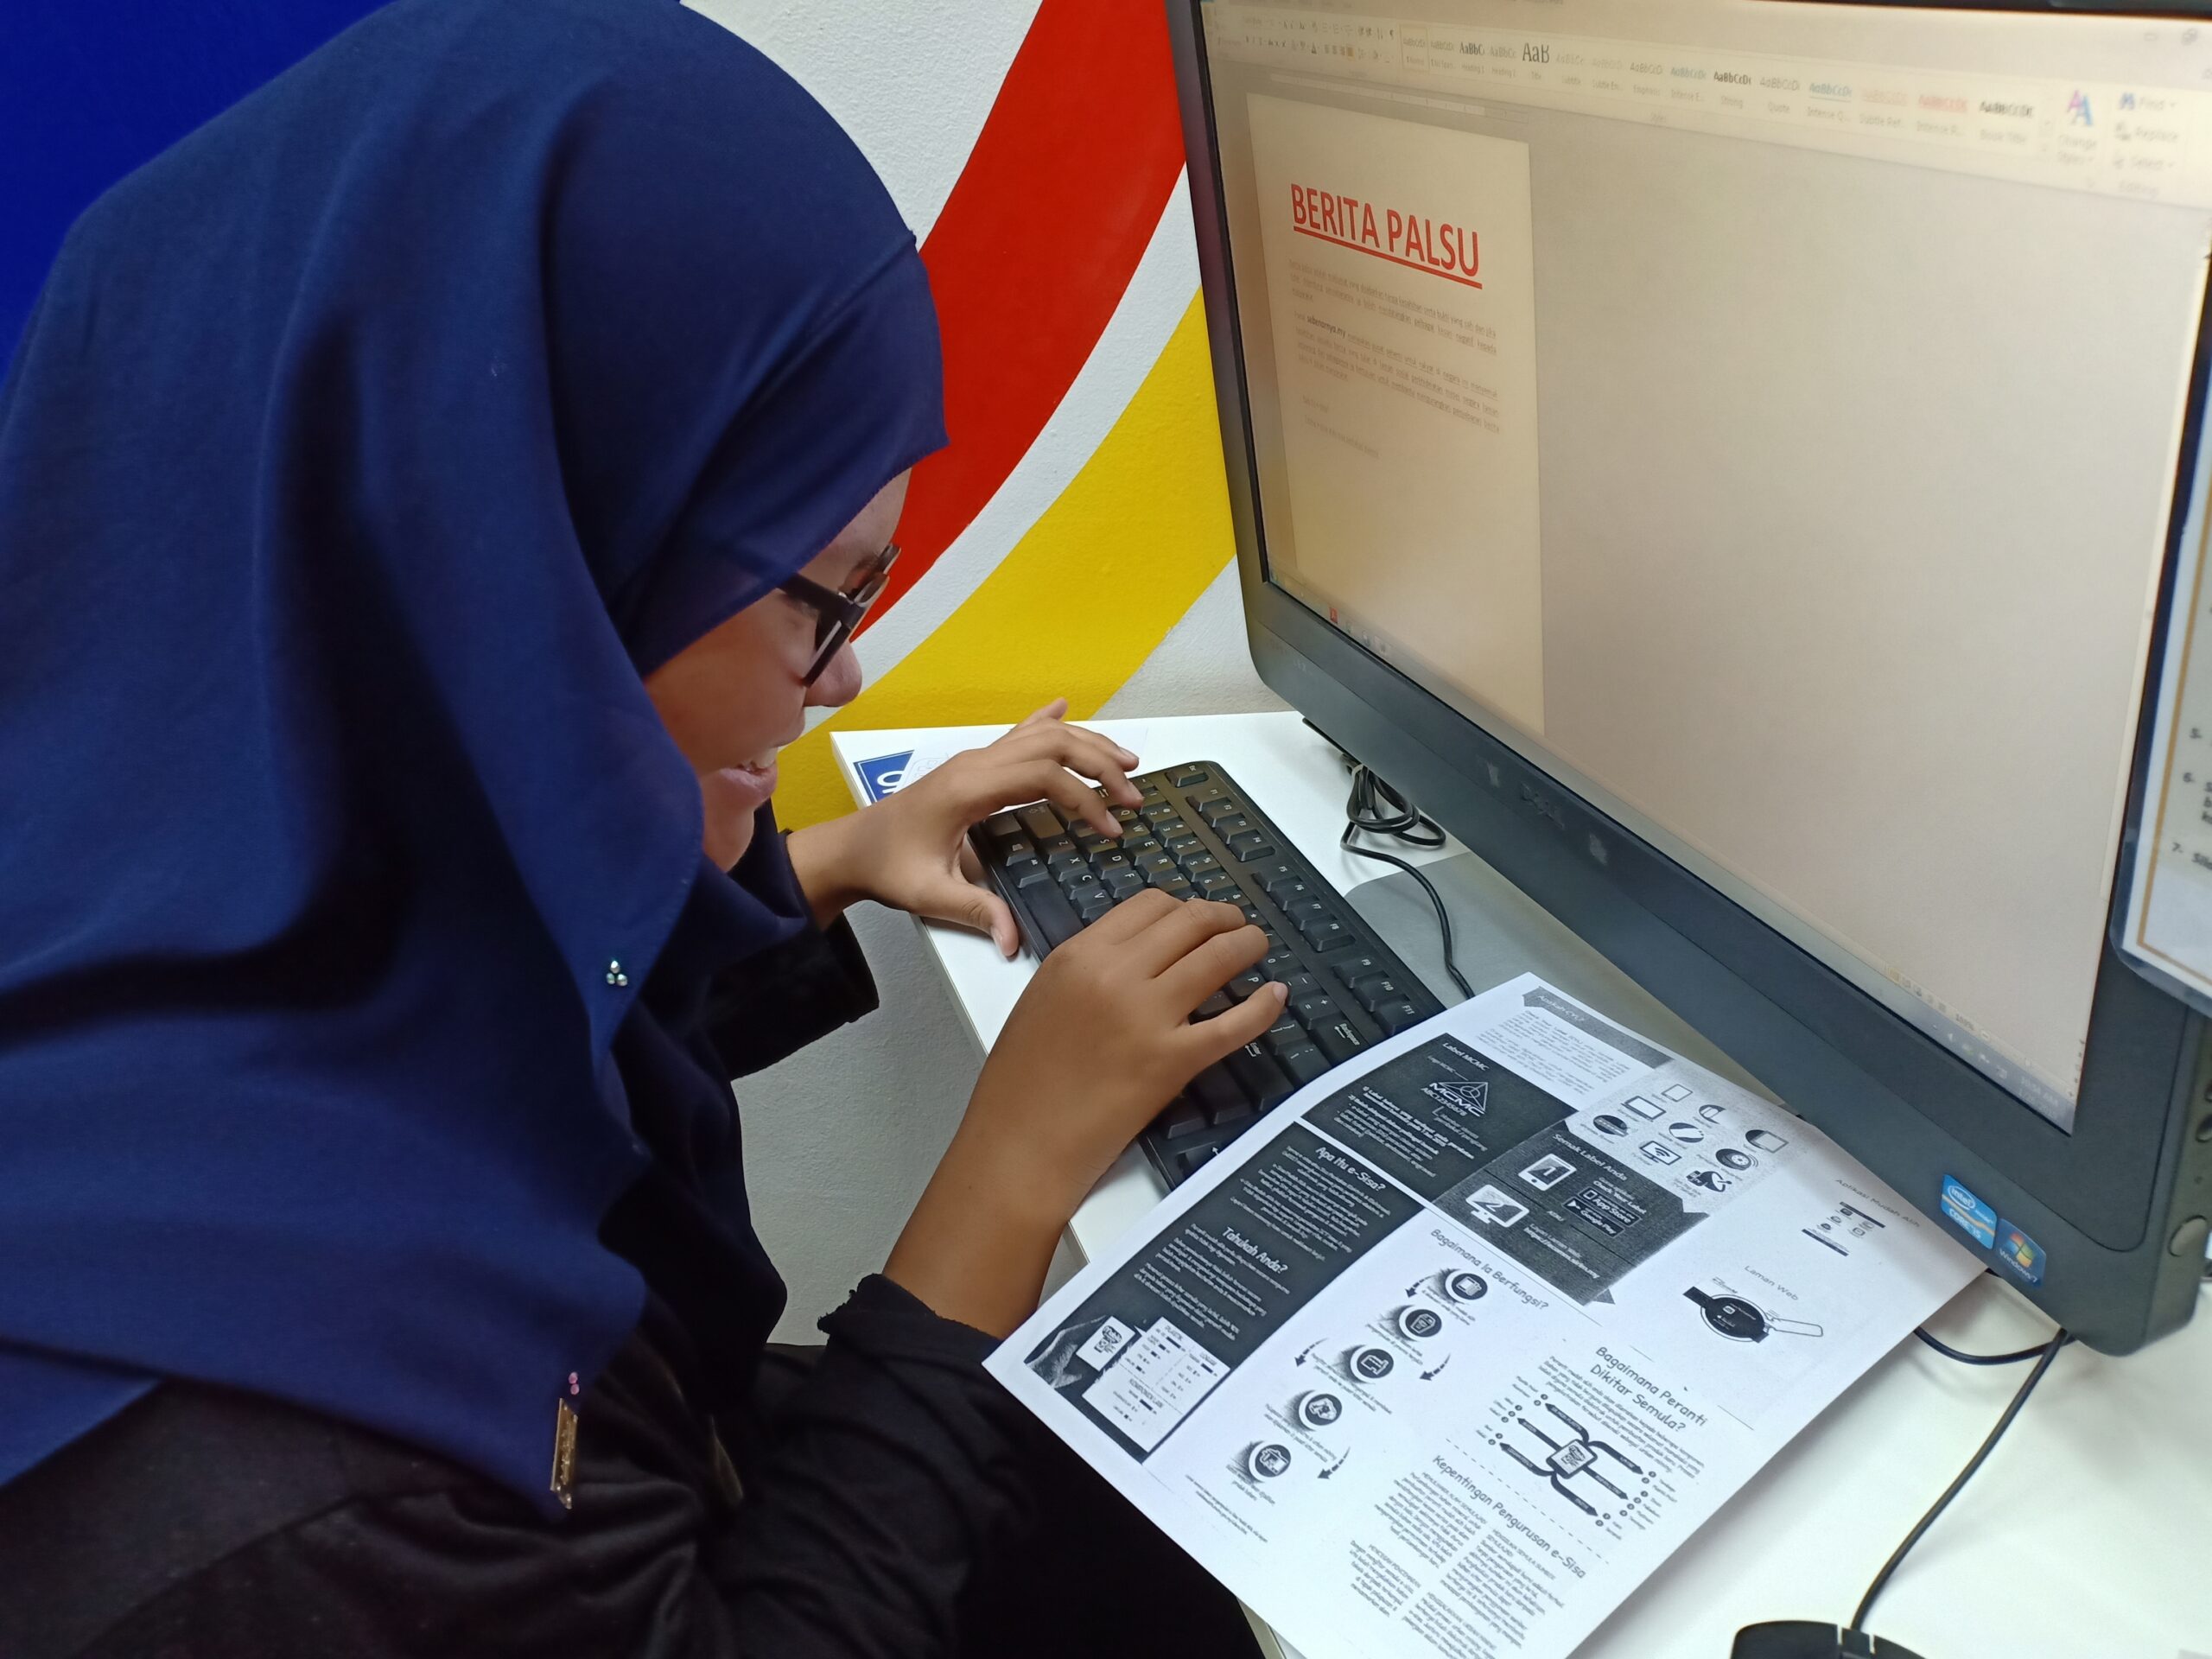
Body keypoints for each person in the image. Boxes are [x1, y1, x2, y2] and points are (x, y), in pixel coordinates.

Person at [0, 1, 1284, 1653]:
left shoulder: (146, 838)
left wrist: (820, 869)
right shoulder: (313, 1493)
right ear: (513, 583)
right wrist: (1010, 1175)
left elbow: (462, 1022)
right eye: (825, 603)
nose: (845, 677)